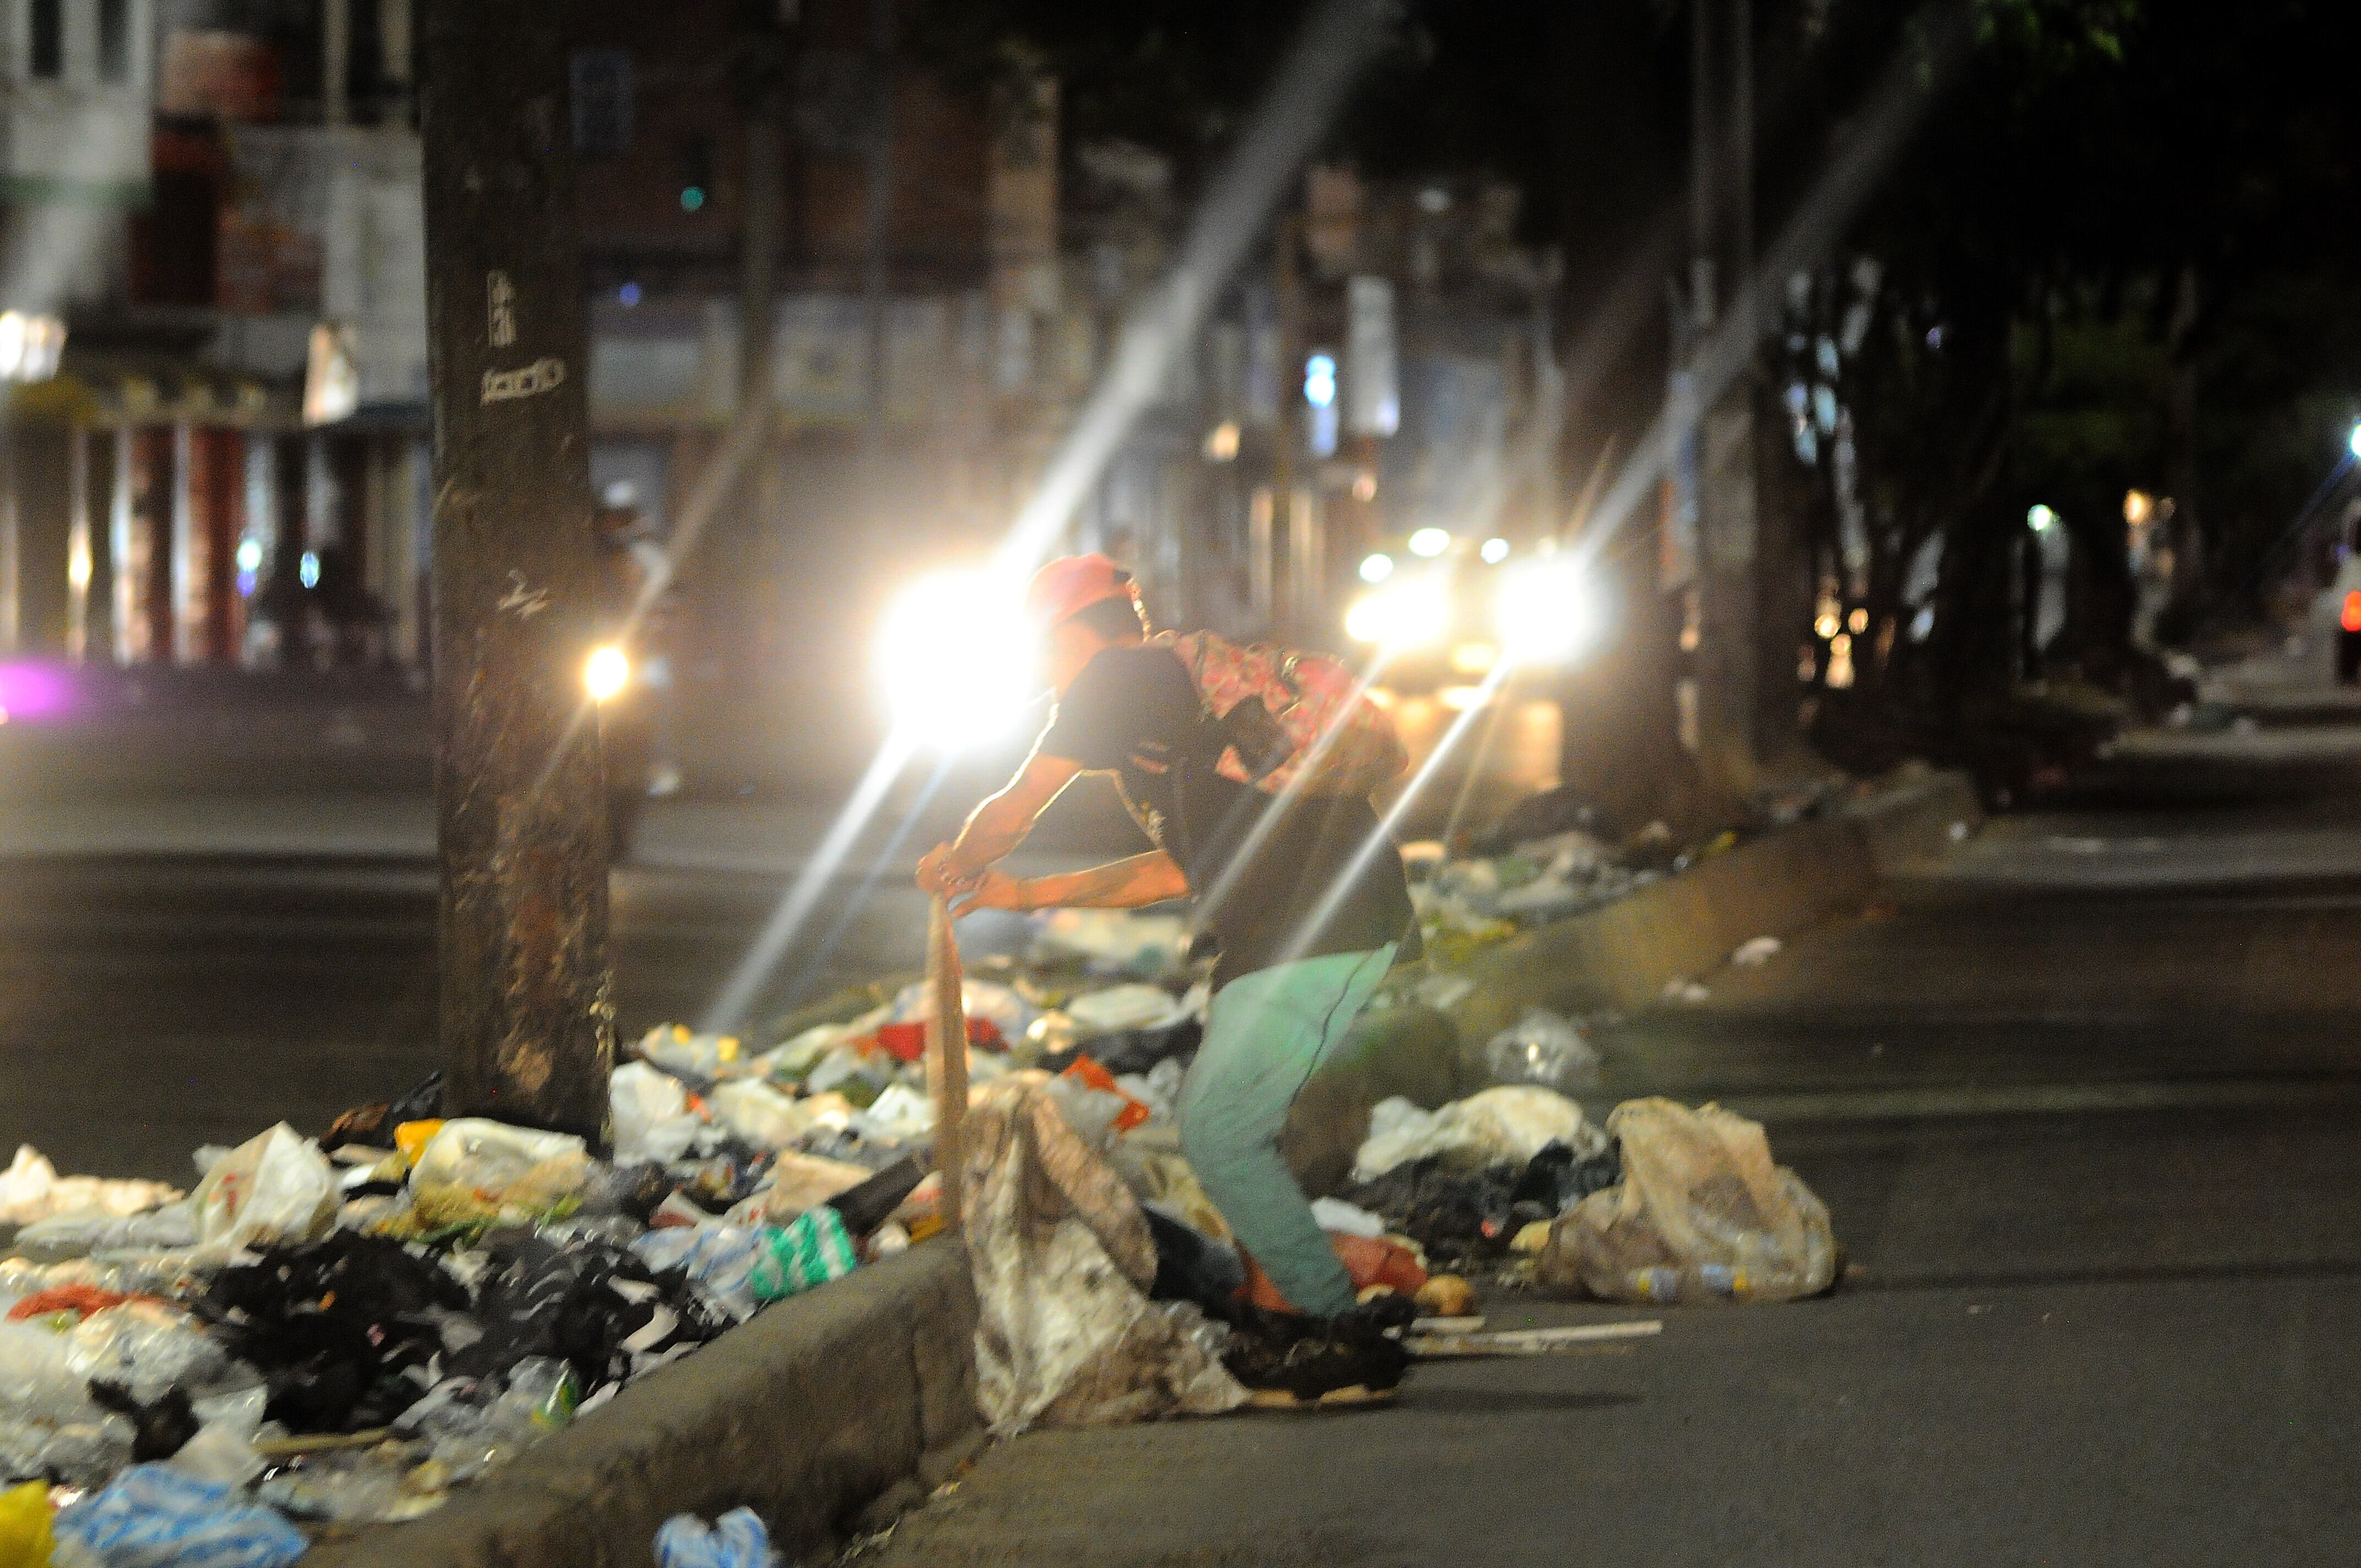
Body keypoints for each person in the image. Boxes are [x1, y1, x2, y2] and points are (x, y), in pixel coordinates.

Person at [917, 554, 1422, 1407]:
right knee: (1231, 1129)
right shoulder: (1165, 718)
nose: (1040, 670)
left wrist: (956, 860)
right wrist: (1023, 895)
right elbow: (1176, 872)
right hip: (1276, 936)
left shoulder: (1122, 678)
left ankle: (1334, 1330)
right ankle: (1283, 1319)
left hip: (1323, 928)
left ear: (1069, 635)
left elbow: (1016, 805)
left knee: (1219, 1132)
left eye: (1039, 648)